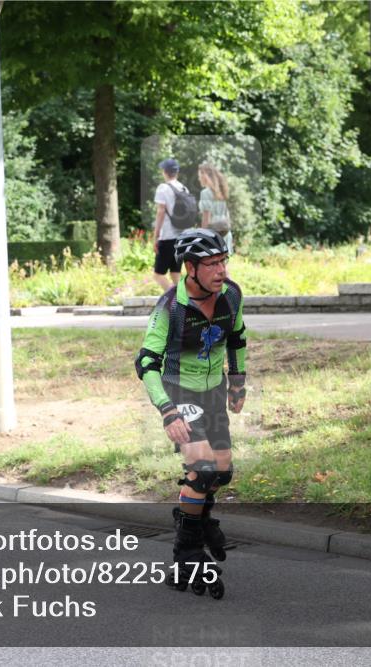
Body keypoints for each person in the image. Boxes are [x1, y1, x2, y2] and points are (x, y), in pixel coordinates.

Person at [134, 229, 247, 599]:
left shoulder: (231, 294)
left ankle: (195, 518)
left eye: (223, 262)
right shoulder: (170, 307)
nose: (221, 270)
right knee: (202, 469)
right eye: (211, 264)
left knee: (223, 471)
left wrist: (237, 382)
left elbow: (237, 337)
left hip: (213, 390)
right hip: (179, 391)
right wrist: (168, 411)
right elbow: (146, 363)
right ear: (190, 268)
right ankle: (187, 553)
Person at [151, 158, 190, 291]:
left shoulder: (163, 188)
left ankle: (175, 299)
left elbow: (161, 211)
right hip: (182, 237)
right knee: (175, 273)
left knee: (158, 275)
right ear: (176, 172)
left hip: (167, 237)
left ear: (164, 172)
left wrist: (156, 236)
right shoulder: (184, 188)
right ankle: (183, 301)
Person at [197, 163, 233, 254]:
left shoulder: (205, 193)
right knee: (223, 261)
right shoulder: (221, 192)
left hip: (213, 234)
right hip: (225, 231)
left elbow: (206, 219)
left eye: (200, 175)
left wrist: (203, 239)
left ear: (205, 175)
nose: (199, 178)